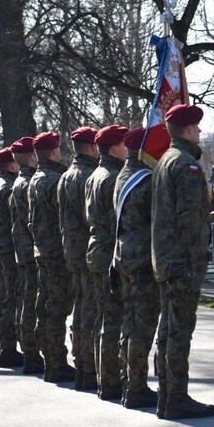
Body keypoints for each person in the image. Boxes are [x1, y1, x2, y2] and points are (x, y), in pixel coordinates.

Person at [151, 104, 214, 419]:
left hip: (166, 259)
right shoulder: (185, 165)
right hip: (182, 261)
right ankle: (176, 398)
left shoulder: (164, 160)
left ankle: (167, 395)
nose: (200, 133)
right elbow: (189, 218)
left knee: (168, 330)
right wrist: (199, 256)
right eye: (198, 128)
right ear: (188, 130)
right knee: (178, 332)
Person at [114, 126, 169, 409]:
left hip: (125, 258)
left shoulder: (123, 176)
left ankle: (130, 383)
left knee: (131, 322)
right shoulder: (144, 180)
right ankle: (136, 386)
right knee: (142, 326)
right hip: (143, 261)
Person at [85, 124, 129, 401]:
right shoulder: (113, 177)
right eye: (124, 144)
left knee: (103, 317)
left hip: (97, 250)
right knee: (114, 319)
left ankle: (104, 378)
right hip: (110, 251)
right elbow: (119, 221)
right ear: (114, 148)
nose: (128, 149)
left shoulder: (94, 175)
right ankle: (112, 381)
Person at [29, 131, 75, 383]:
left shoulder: (36, 178)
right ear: (54, 152)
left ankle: (49, 360)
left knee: (47, 307)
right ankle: (56, 362)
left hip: (43, 250)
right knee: (57, 308)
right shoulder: (54, 180)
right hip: (56, 252)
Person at [57, 127, 100, 390]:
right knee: (92, 311)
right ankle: (90, 366)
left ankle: (82, 364)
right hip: (88, 251)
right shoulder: (88, 176)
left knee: (81, 309)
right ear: (94, 146)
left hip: (72, 251)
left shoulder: (65, 176)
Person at [8, 137, 44, 374]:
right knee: (31, 303)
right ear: (32, 157)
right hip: (30, 251)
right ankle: (31, 353)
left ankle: (30, 351)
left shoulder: (19, 182)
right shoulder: (26, 183)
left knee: (26, 301)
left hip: (22, 249)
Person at [0, 148, 24, 367]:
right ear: (11, 165)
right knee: (11, 299)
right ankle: (9, 348)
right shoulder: (8, 187)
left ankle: (6, 346)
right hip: (9, 249)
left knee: (4, 297)